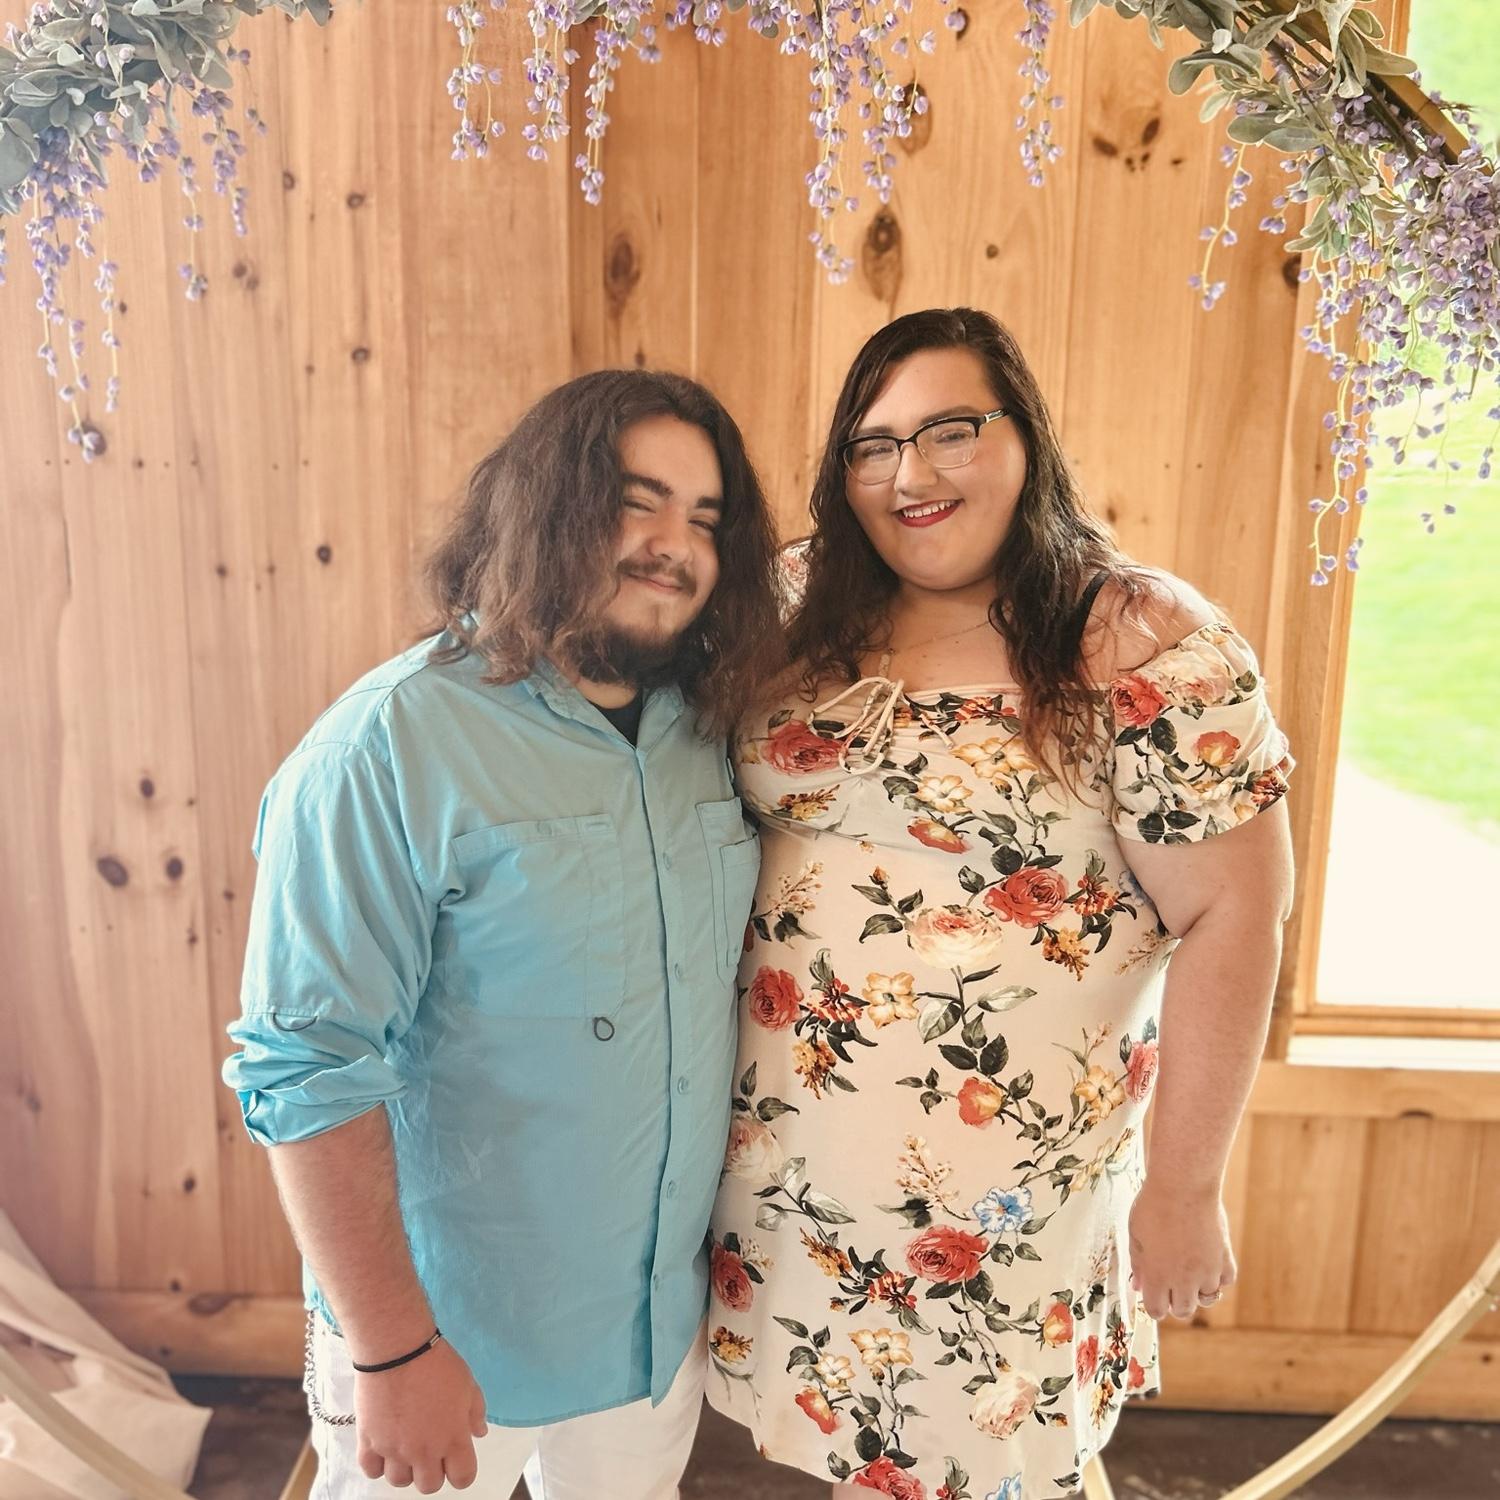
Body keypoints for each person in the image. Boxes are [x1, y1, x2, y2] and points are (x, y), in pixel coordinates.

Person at [707, 308, 1295, 1499]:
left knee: (995, 1463)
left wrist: (1186, 1187)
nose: (910, 476)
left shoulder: (1137, 638)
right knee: (855, 1457)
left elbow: (1236, 915)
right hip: (788, 1172)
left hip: (1006, 1199)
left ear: (1025, 437)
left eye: (950, 432)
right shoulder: (796, 601)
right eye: (874, 446)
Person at [222, 369, 782, 1498]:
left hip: (649, 1339)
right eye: (637, 502)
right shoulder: (383, 746)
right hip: (446, 1346)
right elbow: (305, 1069)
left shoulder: (711, 734)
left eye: (704, 519)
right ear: (546, 508)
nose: (674, 545)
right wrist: (392, 1350)